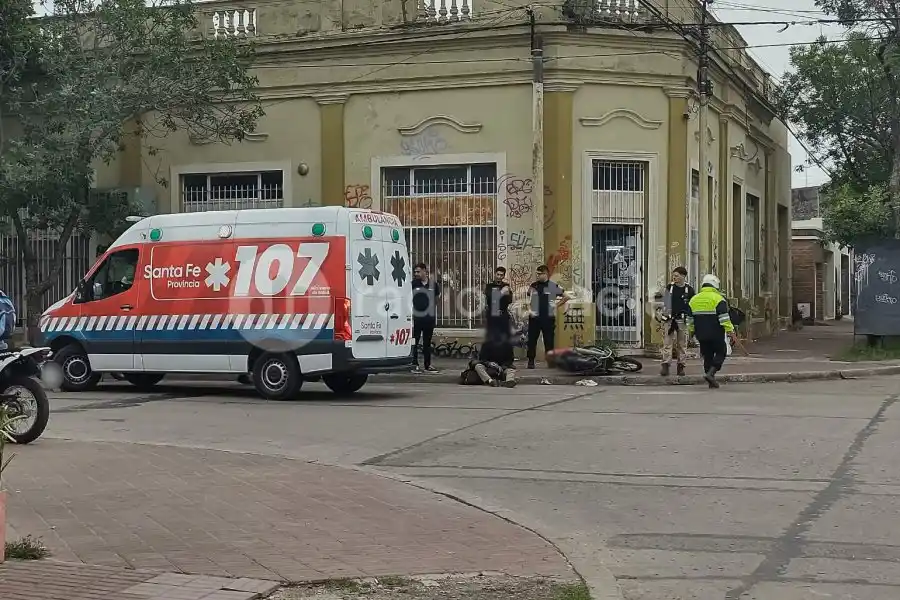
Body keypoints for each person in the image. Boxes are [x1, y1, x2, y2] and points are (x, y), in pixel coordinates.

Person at [687, 274, 735, 389]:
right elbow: (724, 318)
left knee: (707, 355)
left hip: (700, 333)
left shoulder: (694, 299)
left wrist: (692, 332)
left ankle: (710, 380)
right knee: (721, 351)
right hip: (715, 332)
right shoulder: (718, 299)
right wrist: (730, 331)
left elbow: (690, 320)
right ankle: (711, 373)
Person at [526, 265, 568, 369]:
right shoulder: (533, 285)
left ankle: (550, 362)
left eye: (539, 274)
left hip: (548, 318)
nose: (537, 275)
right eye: (537, 273)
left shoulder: (553, 286)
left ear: (545, 274)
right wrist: (529, 310)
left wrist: (556, 305)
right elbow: (527, 300)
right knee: (532, 340)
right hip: (534, 318)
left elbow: (566, 296)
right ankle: (531, 361)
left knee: (549, 340)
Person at [659, 266, 695, 376]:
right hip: (669, 320)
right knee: (667, 343)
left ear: (683, 276)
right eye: (673, 276)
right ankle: (665, 365)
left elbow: (692, 305)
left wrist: (690, 317)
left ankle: (681, 366)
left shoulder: (689, 290)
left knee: (682, 344)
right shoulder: (670, 288)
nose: (674, 278)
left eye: (677, 276)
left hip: (682, 320)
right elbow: (665, 302)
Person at [411, 262, 441, 373]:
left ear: (425, 271)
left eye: (418, 271)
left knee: (427, 343)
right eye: (415, 272)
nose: (416, 274)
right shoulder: (413, 284)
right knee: (415, 341)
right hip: (417, 318)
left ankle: (427, 364)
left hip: (429, 318)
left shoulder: (434, 285)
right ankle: (414, 364)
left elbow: (437, 299)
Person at [483, 266, 514, 362]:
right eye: (498, 274)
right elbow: (490, 299)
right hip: (492, 315)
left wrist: (507, 293)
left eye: (502, 275)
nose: (499, 277)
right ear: (495, 274)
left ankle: (508, 361)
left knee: (506, 337)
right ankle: (489, 360)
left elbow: (509, 300)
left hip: (503, 314)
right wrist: (501, 293)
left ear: (504, 276)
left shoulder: (506, 286)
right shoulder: (489, 286)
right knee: (491, 337)